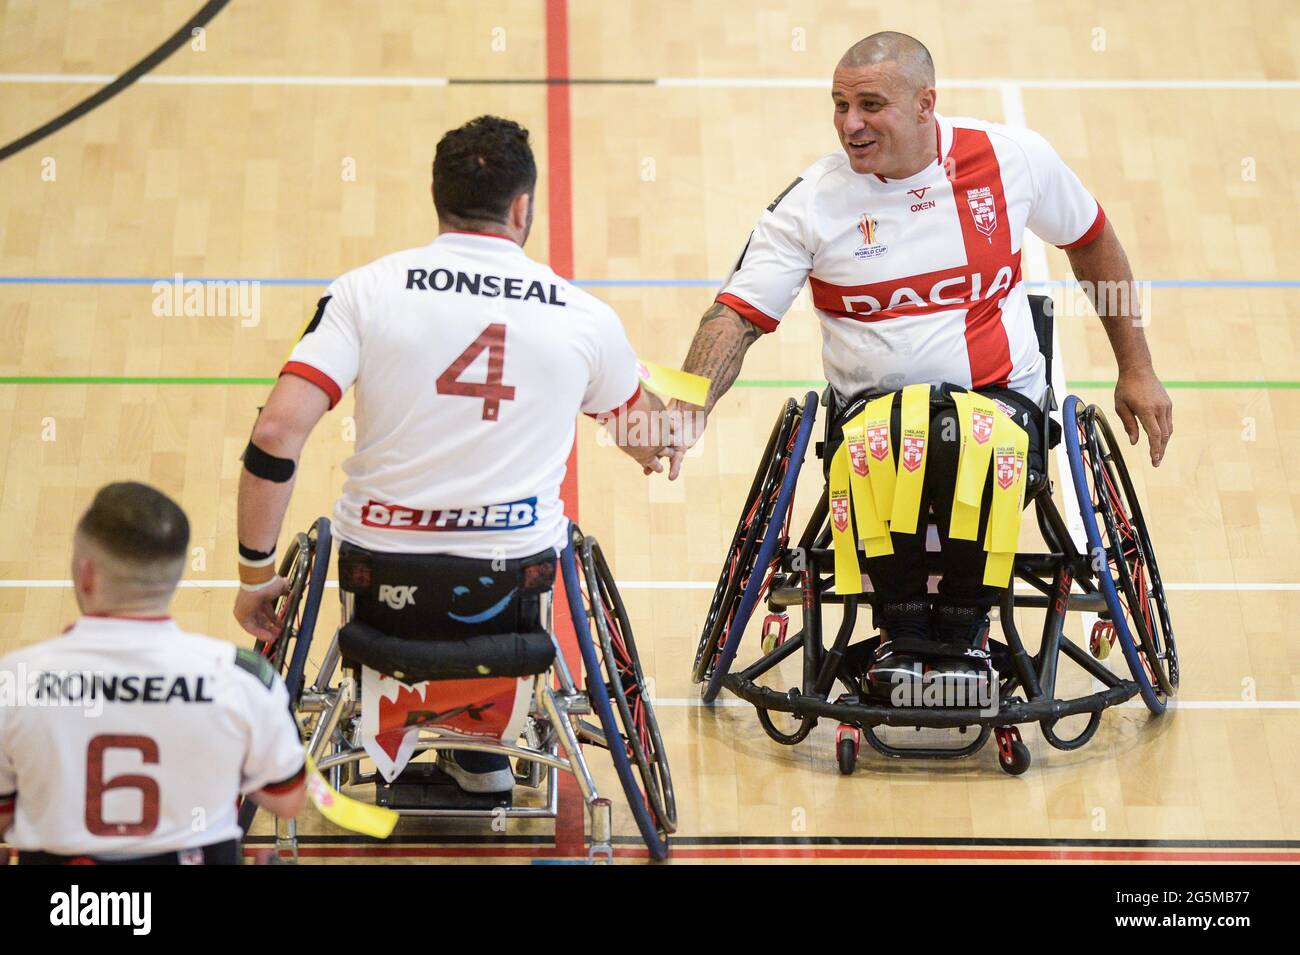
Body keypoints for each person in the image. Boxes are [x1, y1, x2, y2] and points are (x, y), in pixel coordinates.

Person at [668, 32, 1173, 665]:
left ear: (925, 104)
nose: (850, 125)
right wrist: (688, 404)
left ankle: (959, 626)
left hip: (1002, 401)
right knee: (907, 441)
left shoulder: (1010, 157)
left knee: (965, 441)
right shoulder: (812, 202)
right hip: (873, 416)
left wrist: (1138, 368)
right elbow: (735, 317)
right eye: (839, 105)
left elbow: (1092, 240)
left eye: (870, 105)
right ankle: (903, 628)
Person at [233, 115, 671, 796]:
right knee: (535, 545)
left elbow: (275, 435)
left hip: (380, 580)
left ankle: (393, 733)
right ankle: (483, 747)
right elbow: (651, 439)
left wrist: (255, 572)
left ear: (437, 200)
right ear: (522, 207)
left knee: (366, 553)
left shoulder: (363, 291)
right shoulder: (581, 316)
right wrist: (667, 425)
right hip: (511, 586)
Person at [0, 482, 306, 865]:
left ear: (86, 573)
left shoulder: (12, 682)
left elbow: (4, 816)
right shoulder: (242, 679)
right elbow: (288, 799)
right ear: (174, 576)